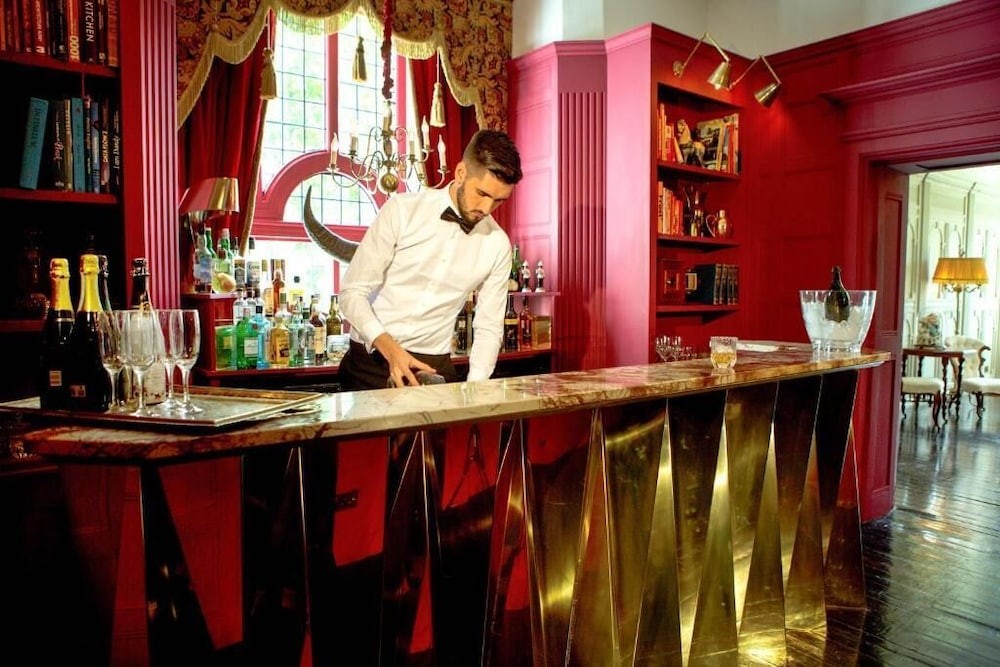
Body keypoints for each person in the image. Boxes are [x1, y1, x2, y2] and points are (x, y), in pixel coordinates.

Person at [338, 129, 523, 390]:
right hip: (370, 361)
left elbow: (489, 327)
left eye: (498, 201)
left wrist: (476, 390)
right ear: (461, 173)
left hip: (433, 370)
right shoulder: (402, 210)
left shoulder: (497, 244)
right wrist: (390, 349)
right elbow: (351, 293)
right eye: (482, 193)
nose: (486, 209)